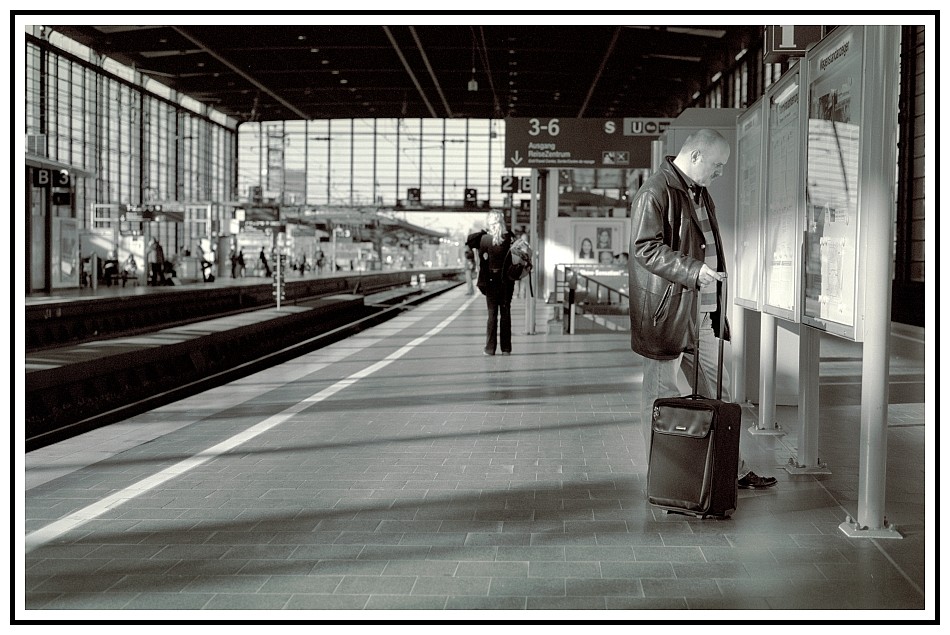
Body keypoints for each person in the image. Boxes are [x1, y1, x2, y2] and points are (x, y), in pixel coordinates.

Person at [628, 128, 777, 490]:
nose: (719, 172)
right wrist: (694, 270)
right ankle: (663, 472)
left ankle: (729, 467)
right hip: (670, 315)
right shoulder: (655, 191)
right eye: (717, 165)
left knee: (717, 393)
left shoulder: (699, 192)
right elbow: (644, 247)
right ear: (695, 155)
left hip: (703, 313)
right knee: (660, 394)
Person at [466, 209, 516, 356]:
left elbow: (481, 260)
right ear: (501, 221)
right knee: (506, 313)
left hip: (491, 281)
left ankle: (490, 348)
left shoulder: (484, 239)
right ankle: (506, 349)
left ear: (490, 222)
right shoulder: (509, 238)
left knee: (492, 314)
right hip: (507, 281)